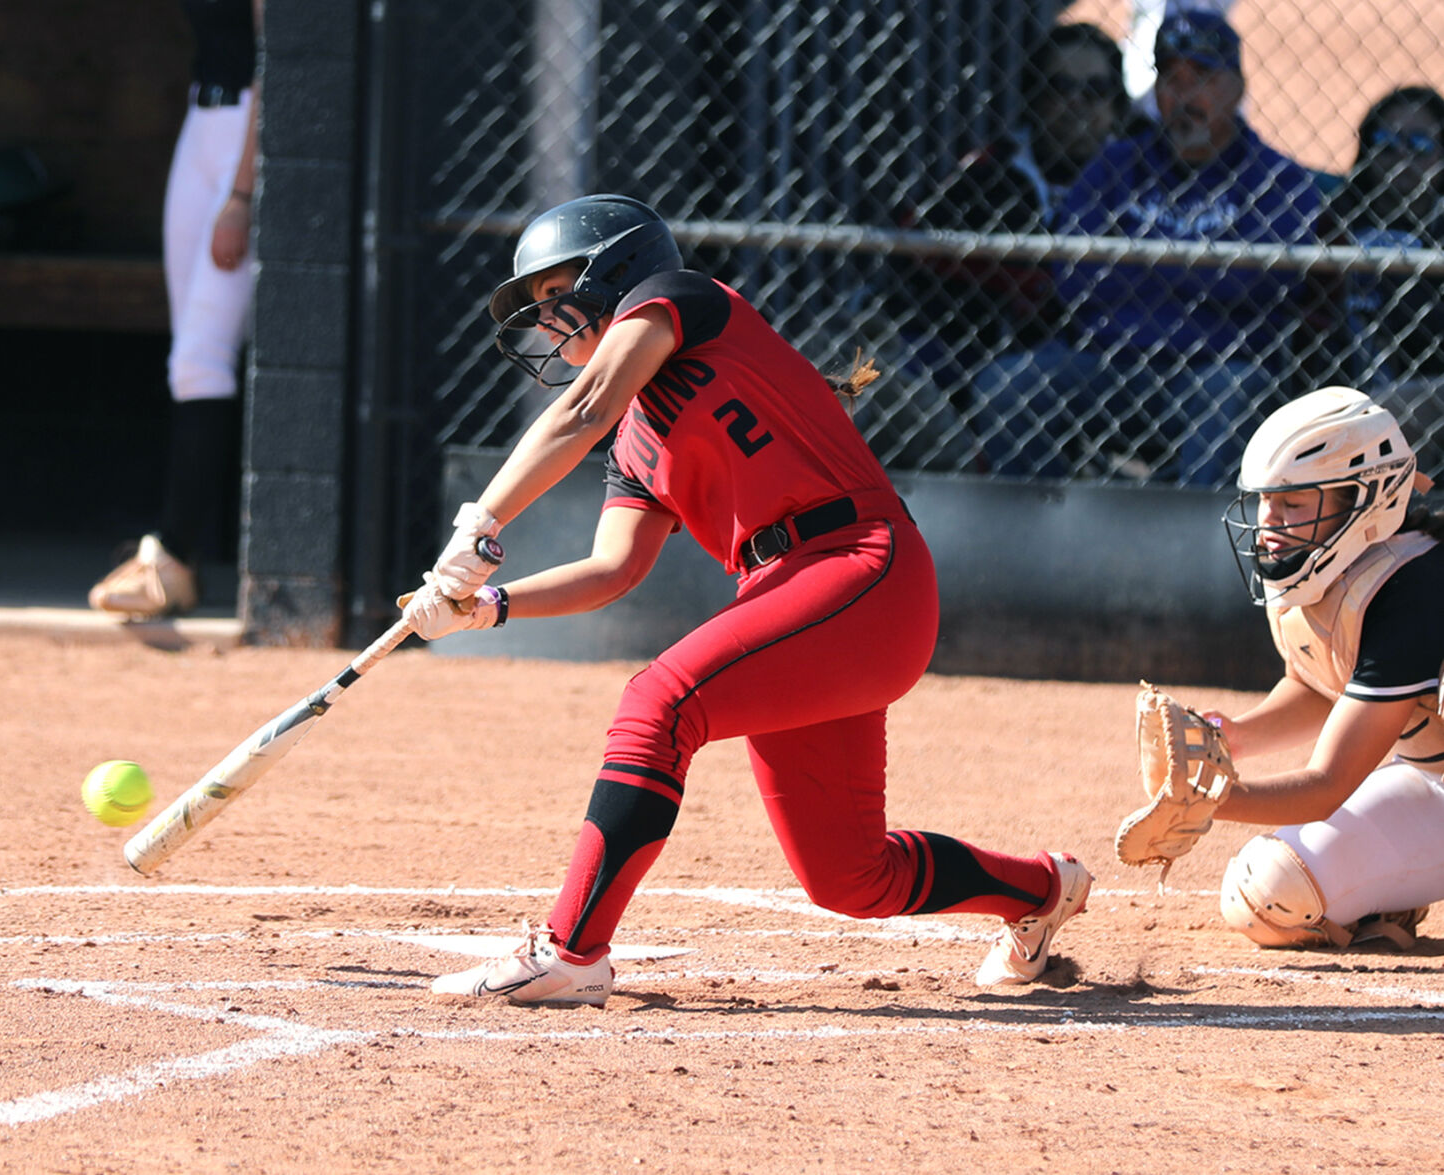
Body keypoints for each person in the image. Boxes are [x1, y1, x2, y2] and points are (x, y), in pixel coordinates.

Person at [397, 193, 1091, 1006]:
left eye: (559, 296)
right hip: (792, 598)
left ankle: (572, 950)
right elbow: (614, 567)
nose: (550, 323)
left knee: (658, 702)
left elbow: (581, 411)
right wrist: (490, 605)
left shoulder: (683, 299)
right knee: (848, 875)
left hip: (862, 568)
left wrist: (478, 524)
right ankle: (1042, 891)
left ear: (615, 273)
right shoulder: (635, 437)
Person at [970, 9, 1321, 485]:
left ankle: (1197, 546)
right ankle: (1044, 540)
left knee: (1235, 391)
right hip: (1107, 361)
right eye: (1170, 79)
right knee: (1008, 385)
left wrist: (1139, 263)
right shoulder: (1116, 164)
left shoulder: (1279, 180)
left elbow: (1267, 284)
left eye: (1202, 79)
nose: (1184, 97)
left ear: (1236, 89)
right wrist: (1206, 273)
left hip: (1214, 368)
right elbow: (1076, 274)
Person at [1199, 386, 1444, 950]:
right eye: (1264, 502)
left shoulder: (1412, 585)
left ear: (1366, 500)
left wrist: (1217, 799)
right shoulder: (1345, 573)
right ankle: (1386, 898)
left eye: (1293, 504)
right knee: (1270, 890)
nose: (1267, 522)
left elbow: (1328, 785)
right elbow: (1322, 683)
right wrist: (1236, 738)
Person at [882, 22, 1130, 473]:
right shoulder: (989, 174)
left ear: (1115, 106)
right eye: (1060, 88)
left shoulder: (1140, 180)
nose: (1076, 104)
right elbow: (917, 264)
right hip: (981, 360)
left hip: (1107, 358)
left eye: (1094, 91)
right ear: (1035, 98)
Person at [88, 0, 263, 620]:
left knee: (201, 357)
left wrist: (242, 193)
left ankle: (175, 559)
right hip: (201, 124)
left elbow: (277, 62)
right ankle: (179, 545)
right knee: (187, 357)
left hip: (248, 133)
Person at [1329, 87, 1444, 465]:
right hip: (1343, 380)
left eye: (1419, 144)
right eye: (1387, 141)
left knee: (1394, 411)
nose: (1401, 157)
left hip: (1428, 382)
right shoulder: (1339, 216)